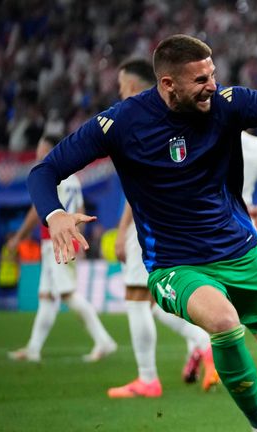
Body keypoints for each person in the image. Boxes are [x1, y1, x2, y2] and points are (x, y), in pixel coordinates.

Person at [27, 34, 257, 432]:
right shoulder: (120, 123)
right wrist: (53, 214)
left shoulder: (227, 104)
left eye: (213, 74)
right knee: (225, 323)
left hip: (240, 254)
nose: (212, 85)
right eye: (200, 79)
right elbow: (45, 171)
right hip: (176, 266)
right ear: (168, 84)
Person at [108, 58, 218, 399]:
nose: (120, 92)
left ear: (140, 85)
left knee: (137, 298)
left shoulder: (140, 122)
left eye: (124, 85)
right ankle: (201, 344)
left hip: (152, 226)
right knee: (157, 302)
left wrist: (124, 230)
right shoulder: (173, 119)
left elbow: (142, 185)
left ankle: (149, 378)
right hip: (172, 223)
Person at [8, 135, 117, 363]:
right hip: (61, 241)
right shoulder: (73, 179)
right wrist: (79, 240)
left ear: (49, 151)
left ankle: (104, 340)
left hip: (57, 241)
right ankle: (33, 349)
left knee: (68, 294)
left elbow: (34, 212)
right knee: (47, 297)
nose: (38, 155)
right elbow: (80, 208)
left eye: (40, 150)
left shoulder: (50, 176)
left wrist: (19, 237)